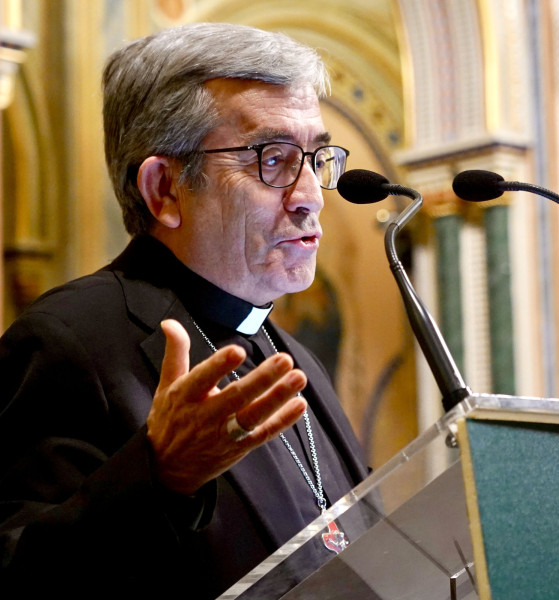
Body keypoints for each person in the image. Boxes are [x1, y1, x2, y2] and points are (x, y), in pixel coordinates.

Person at [0, 22, 370, 599]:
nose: (311, 195)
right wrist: (158, 475)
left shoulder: (291, 353)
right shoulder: (68, 341)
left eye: (317, 156)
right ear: (164, 190)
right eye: (273, 159)